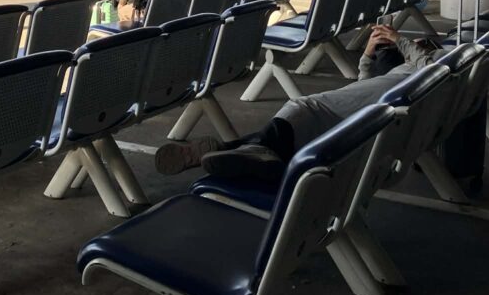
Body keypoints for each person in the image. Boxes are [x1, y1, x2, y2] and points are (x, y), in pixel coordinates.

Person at [154, 25, 444, 181]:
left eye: (419, 44)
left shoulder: (427, 69)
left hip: (349, 121)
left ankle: (237, 150)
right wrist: (368, 55)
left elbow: (431, 65)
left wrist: (402, 40)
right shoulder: (407, 74)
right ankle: (227, 150)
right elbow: (363, 84)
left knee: (302, 108)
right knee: (293, 121)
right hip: (363, 118)